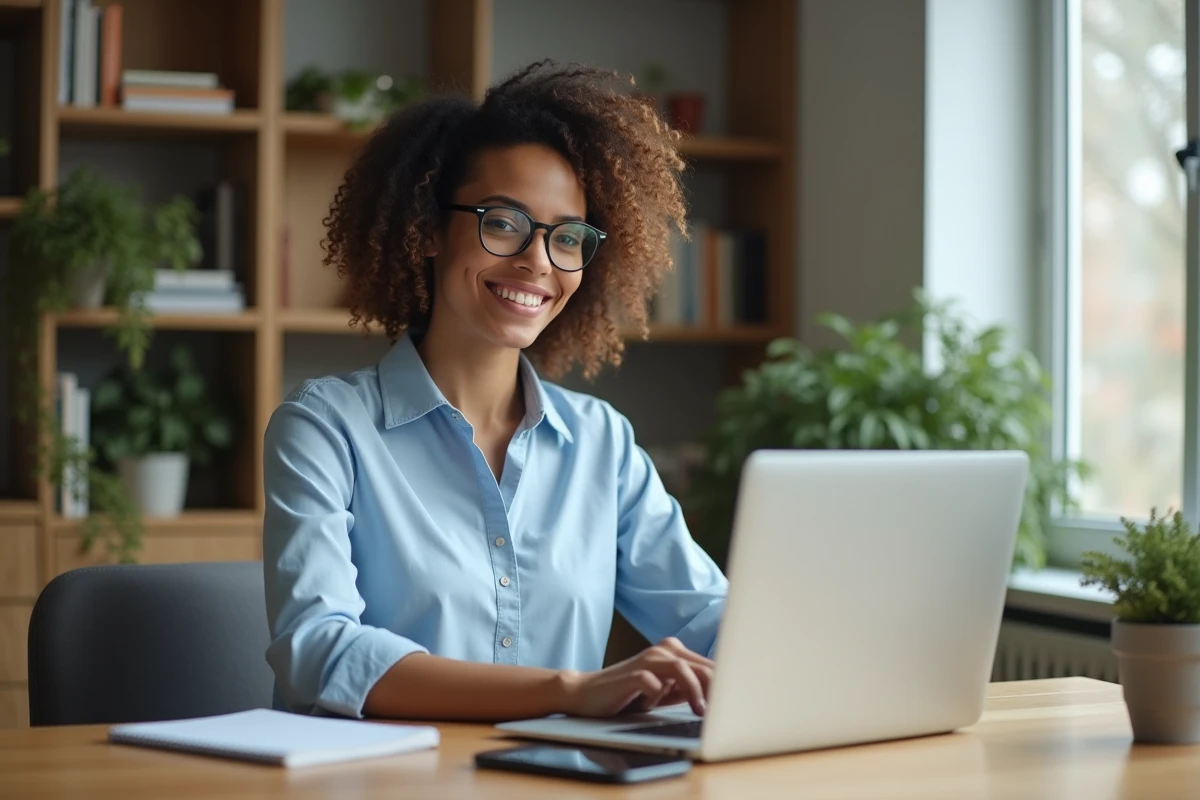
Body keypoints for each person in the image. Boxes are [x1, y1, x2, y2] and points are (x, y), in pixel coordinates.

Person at [262, 60, 728, 723]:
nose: (538, 261)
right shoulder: (324, 428)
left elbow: (708, 616)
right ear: (426, 229)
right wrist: (568, 693)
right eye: (504, 223)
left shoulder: (602, 442)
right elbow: (320, 651)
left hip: (555, 780)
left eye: (567, 236)